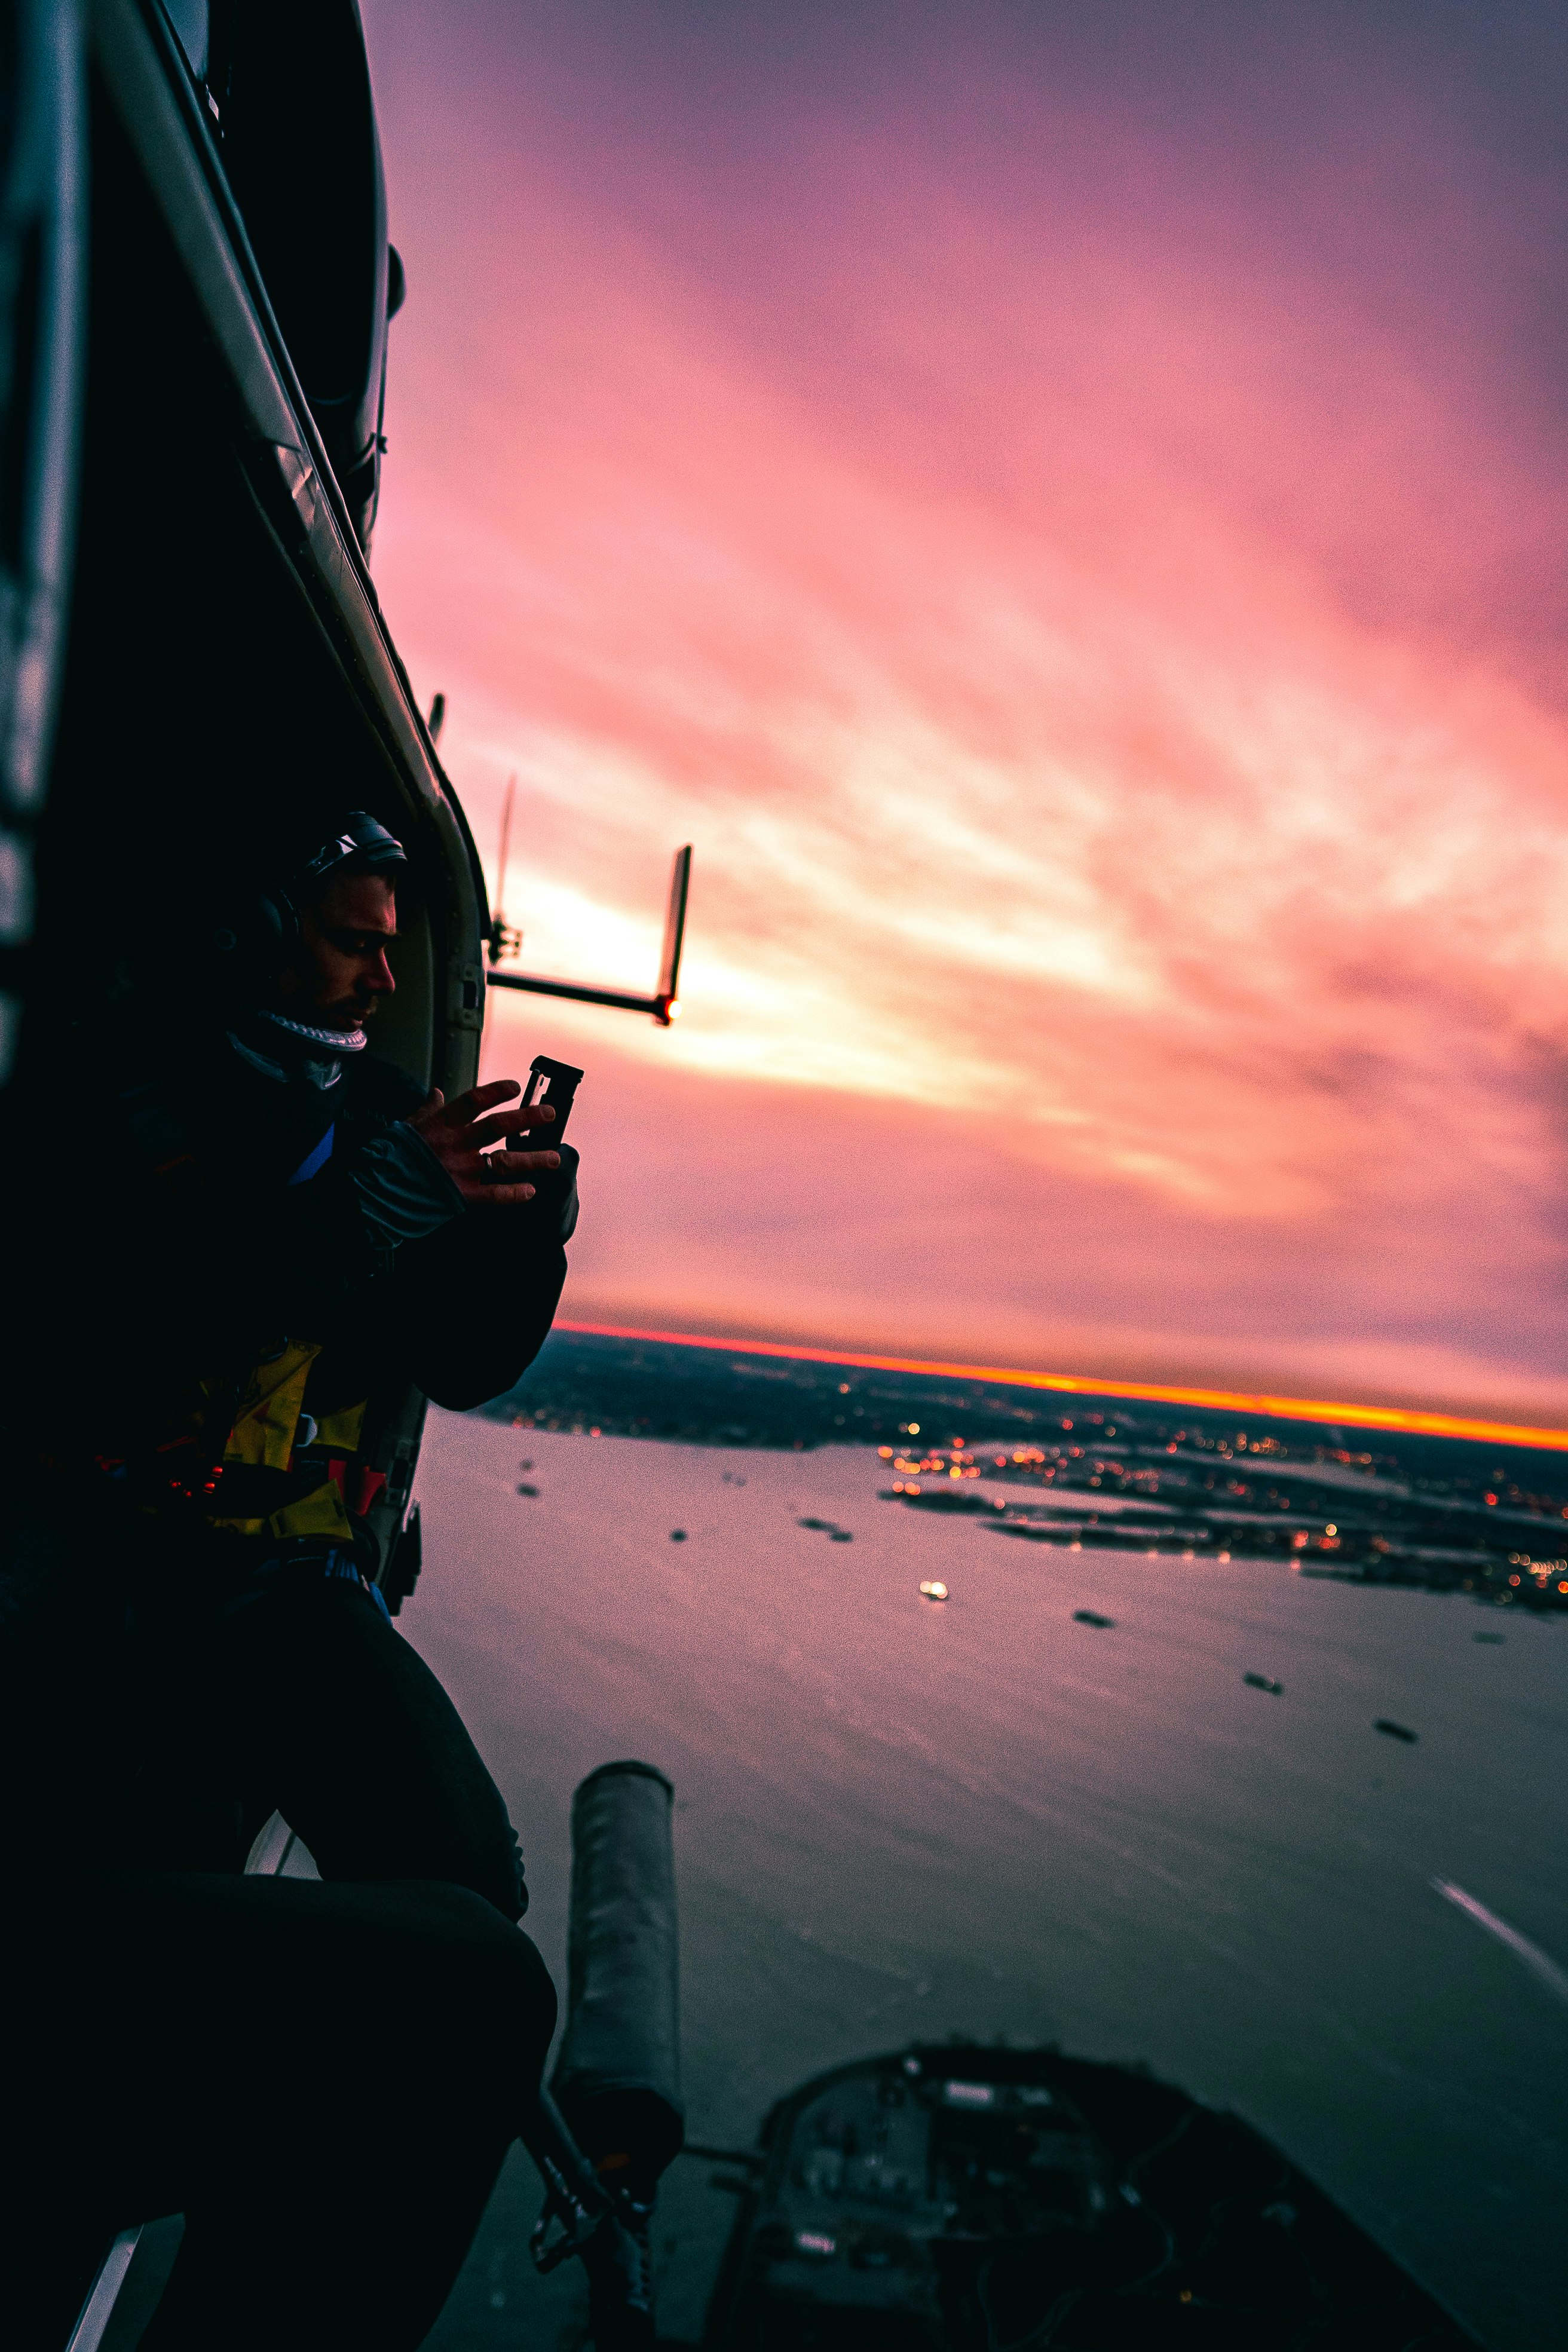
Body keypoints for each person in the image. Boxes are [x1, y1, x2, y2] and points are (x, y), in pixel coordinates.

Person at [0, 813, 575, 2348]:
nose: (388, 973)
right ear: (256, 937)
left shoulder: (384, 1115)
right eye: (353, 936)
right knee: (433, 1977)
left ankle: (261, 2157)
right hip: (112, 1578)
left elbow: (463, 1362)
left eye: (396, 942)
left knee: (471, 1883)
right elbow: (129, 1314)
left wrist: (522, 1240)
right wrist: (367, 1207)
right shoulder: (118, 1091)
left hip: (286, 1587)